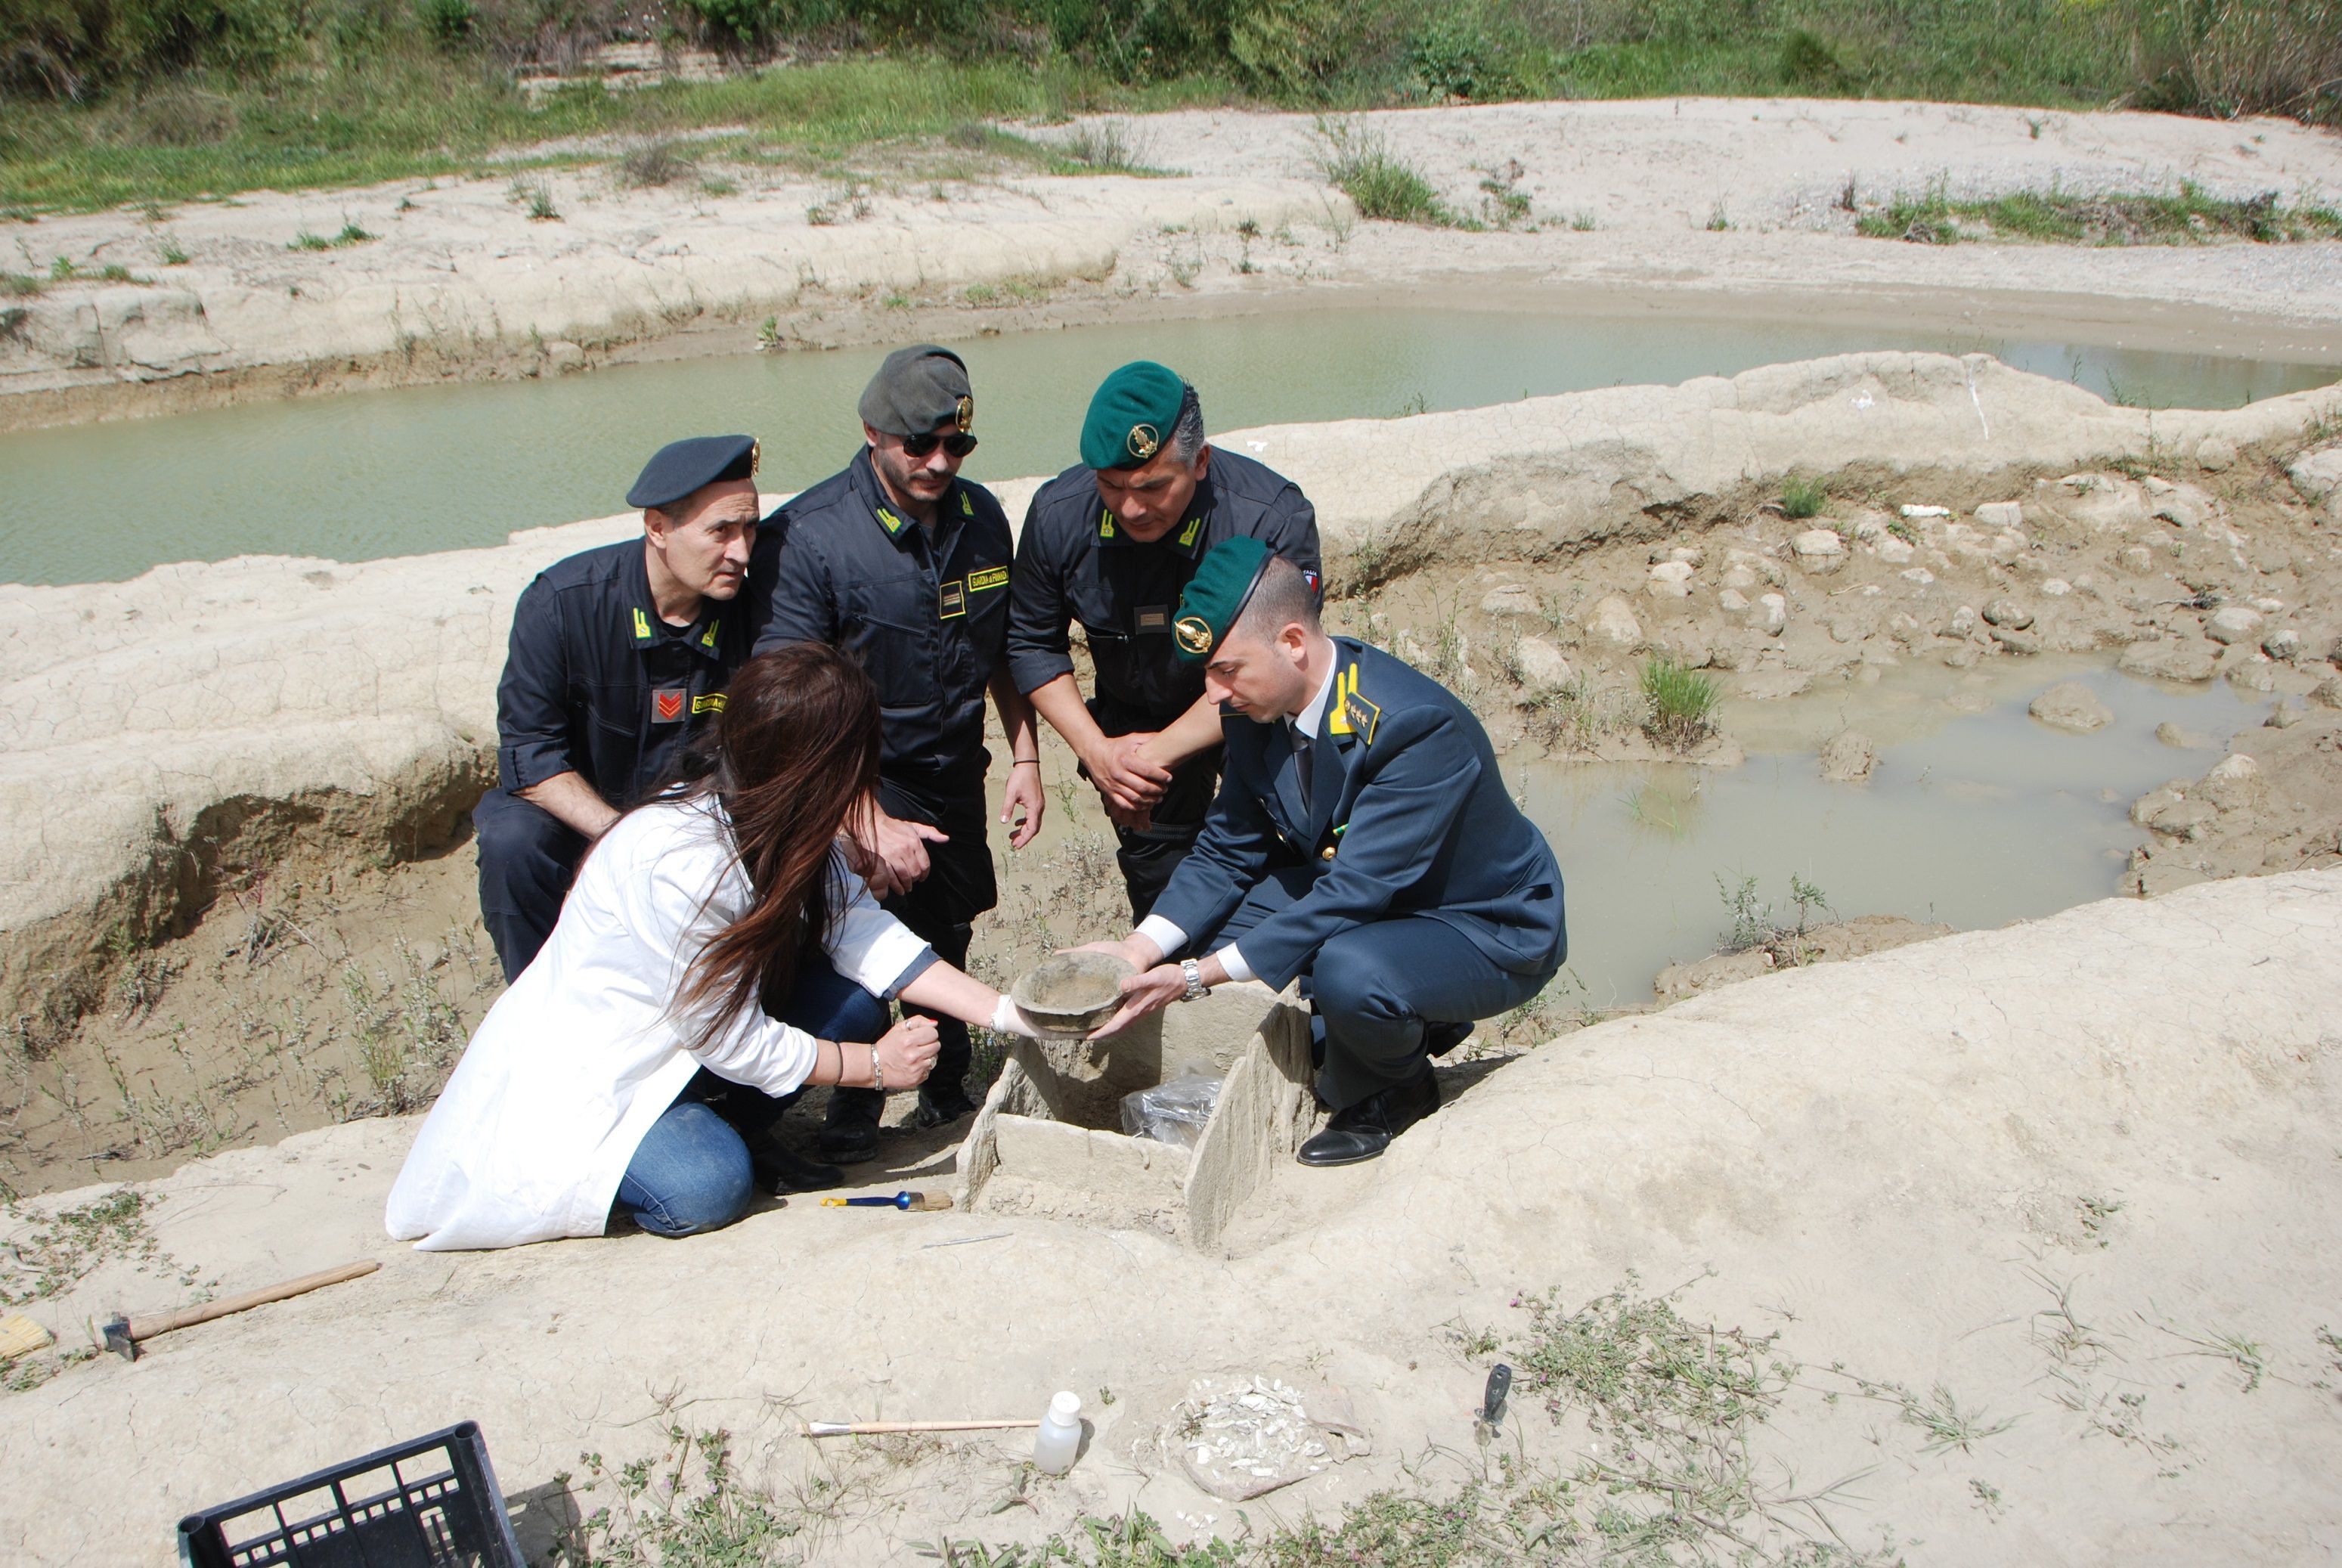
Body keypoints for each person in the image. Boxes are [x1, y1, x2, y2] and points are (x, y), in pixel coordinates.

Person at [387, 645, 1043, 1251]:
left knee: (851, 999)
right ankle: (689, 1138)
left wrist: (1013, 1014)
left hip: (694, 1044)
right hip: (612, 1072)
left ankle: (716, 1119)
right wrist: (871, 1067)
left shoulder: (785, 821)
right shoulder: (677, 859)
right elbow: (726, 1039)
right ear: (821, 770)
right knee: (707, 1186)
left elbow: (869, 939)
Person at [1085, 538, 1567, 1168]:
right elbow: (1227, 850)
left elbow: (1353, 894)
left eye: (1227, 670)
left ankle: (1395, 1089)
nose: (1213, 694)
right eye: (1207, 673)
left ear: (1292, 643)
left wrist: (1195, 978)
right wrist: (1140, 949)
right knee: (1227, 929)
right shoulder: (1256, 709)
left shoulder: (1412, 726)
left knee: (1346, 970)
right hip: (1384, 894)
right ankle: (1396, 1023)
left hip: (1481, 920)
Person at [757, 345, 1044, 1164]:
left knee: (949, 926)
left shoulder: (980, 517)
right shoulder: (809, 540)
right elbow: (786, 705)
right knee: (862, 937)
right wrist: (862, 815)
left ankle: (946, 1088)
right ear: (870, 430)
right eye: (918, 445)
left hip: (955, 763)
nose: (937, 462)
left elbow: (1005, 649)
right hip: (854, 776)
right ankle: (853, 1109)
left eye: (955, 446)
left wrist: (1025, 757)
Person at [1008, 361, 1321, 922]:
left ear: (1199, 462)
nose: (1131, 508)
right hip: (1136, 724)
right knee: (1165, 895)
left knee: (1291, 875)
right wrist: (1099, 752)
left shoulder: (1268, 515)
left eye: (1153, 486)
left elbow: (1284, 664)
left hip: (1257, 715)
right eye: (1112, 486)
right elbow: (1031, 641)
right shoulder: (1059, 515)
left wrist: (1155, 751)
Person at [473, 434, 771, 981]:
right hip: (588, 822)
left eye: (750, 527)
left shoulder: (760, 611)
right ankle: (540, 999)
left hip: (702, 830)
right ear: (657, 528)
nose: (743, 552)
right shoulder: (563, 603)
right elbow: (530, 756)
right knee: (510, 837)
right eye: (720, 532)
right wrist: (624, 841)